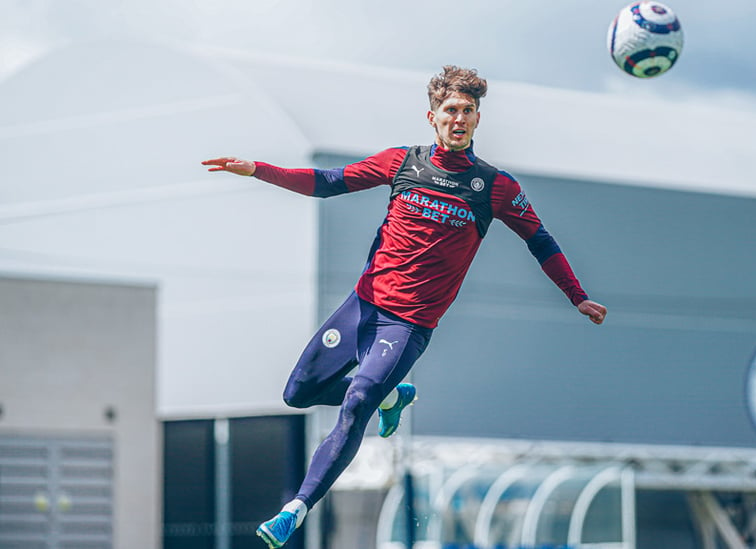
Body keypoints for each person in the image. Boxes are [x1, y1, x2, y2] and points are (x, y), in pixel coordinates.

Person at [202, 65, 607, 549]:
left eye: (468, 112)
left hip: (408, 325)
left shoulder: (495, 188)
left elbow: (541, 241)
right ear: (432, 117)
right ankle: (394, 396)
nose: (459, 119)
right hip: (363, 306)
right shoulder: (402, 163)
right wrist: (258, 170)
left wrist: (576, 295)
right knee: (299, 394)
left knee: (356, 404)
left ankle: (295, 508)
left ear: (478, 119)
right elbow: (328, 181)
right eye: (450, 111)